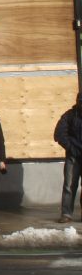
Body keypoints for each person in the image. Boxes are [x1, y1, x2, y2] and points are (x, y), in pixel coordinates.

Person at [54, 93, 82, 223]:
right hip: (73, 156)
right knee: (69, 185)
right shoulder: (69, 115)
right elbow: (59, 134)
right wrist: (71, 148)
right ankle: (66, 213)